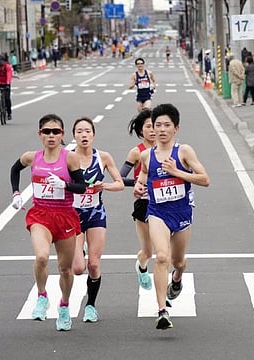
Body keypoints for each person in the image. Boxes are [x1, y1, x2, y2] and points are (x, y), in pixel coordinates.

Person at [133, 103, 210, 330]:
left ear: (176, 128)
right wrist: (138, 187)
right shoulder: (146, 156)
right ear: (152, 129)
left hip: (182, 212)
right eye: (158, 125)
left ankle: (177, 278)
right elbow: (144, 176)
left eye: (167, 125)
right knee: (162, 257)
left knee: (178, 261)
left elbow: (205, 179)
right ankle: (162, 311)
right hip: (157, 212)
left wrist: (177, 172)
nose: (162, 129)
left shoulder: (184, 151)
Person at [10, 114, 87, 331]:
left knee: (65, 269)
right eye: (46, 131)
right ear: (40, 134)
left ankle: (64, 305)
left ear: (62, 135)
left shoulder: (70, 158)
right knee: (42, 256)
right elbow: (15, 169)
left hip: (64, 215)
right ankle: (42, 295)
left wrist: (64, 185)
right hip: (40, 214)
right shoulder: (32, 157)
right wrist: (16, 193)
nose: (51, 135)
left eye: (56, 132)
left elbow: (82, 187)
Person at [71, 117, 124, 323]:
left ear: (93, 135)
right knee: (77, 269)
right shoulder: (68, 158)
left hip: (95, 214)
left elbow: (119, 183)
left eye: (87, 131)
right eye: (79, 131)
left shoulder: (103, 157)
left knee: (93, 264)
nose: (84, 135)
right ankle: (79, 249)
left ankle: (91, 305)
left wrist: (105, 186)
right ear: (74, 135)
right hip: (73, 215)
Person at [120, 109, 156, 293]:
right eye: (148, 127)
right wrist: (138, 184)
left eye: (154, 126)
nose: (152, 130)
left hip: (166, 204)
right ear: (141, 130)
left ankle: (163, 293)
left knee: (165, 251)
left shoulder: (169, 149)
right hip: (144, 203)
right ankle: (142, 266)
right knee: (148, 251)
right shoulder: (136, 152)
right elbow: (120, 177)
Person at [0, 54, 13, 120]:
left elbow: (9, 75)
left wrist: (7, 83)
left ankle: (9, 113)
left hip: (6, 83)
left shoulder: (7, 66)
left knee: (7, 98)